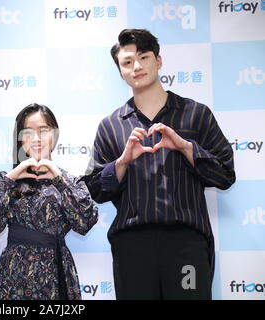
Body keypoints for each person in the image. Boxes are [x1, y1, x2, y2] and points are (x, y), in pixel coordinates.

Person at [82, 29, 235, 300]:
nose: (137, 66)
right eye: (127, 62)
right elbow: (95, 189)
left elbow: (225, 174)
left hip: (187, 242)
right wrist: (123, 161)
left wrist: (184, 146)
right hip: (133, 246)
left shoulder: (196, 114)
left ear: (159, 61)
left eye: (144, 57)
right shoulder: (110, 126)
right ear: (120, 71)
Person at [0, 103, 98, 300]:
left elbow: (85, 222)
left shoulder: (70, 181)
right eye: (27, 132)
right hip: (16, 273)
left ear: (55, 135)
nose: (36, 139)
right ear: (19, 138)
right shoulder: (8, 180)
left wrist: (59, 178)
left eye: (43, 131)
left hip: (56, 272)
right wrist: (12, 177)